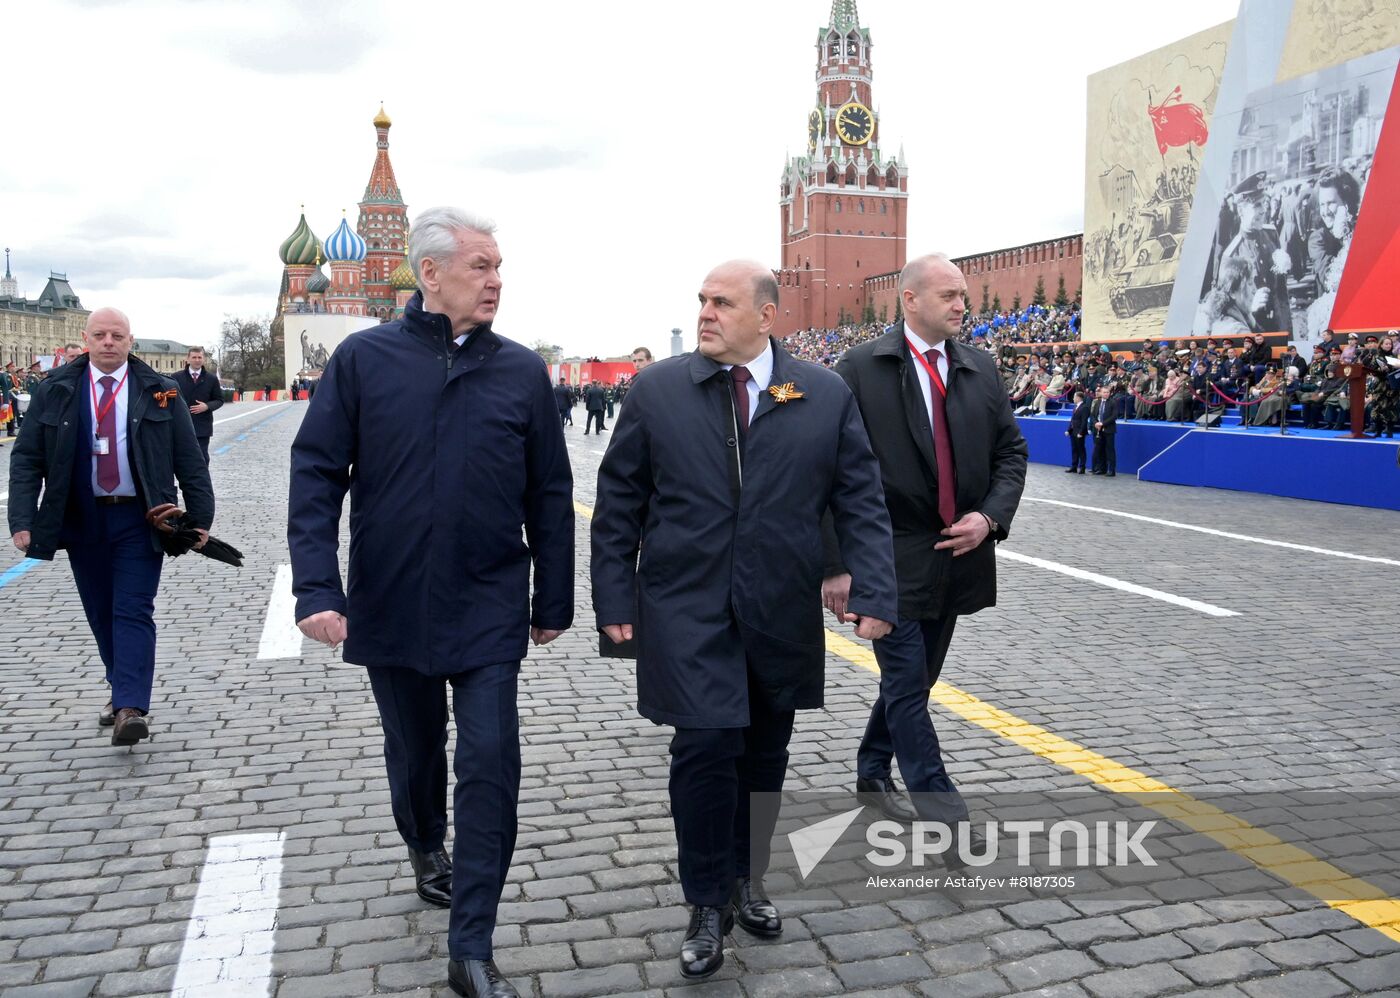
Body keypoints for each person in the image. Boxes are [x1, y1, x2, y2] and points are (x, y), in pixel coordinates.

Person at [288, 207, 574, 998]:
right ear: (432, 274)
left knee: (491, 763)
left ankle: (471, 946)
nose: (496, 279)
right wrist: (317, 586)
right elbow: (315, 474)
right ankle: (423, 841)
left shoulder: (521, 371)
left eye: (499, 265)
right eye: (481, 265)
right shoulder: (362, 360)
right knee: (417, 755)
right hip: (391, 599)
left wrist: (553, 598)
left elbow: (551, 493)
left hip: (488, 604)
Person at [591, 260, 897, 981]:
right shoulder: (657, 390)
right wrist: (613, 600)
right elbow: (618, 504)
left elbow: (859, 499)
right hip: (683, 607)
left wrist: (877, 592)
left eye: (721, 302)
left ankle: (745, 879)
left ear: (766, 316)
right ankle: (703, 903)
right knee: (703, 749)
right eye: (701, 301)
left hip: (778, 608)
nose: (705, 313)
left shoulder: (820, 394)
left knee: (763, 754)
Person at [820, 253, 1027, 835]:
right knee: (909, 683)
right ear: (909, 300)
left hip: (957, 554)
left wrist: (988, 517)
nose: (963, 305)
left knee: (915, 679)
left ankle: (870, 770)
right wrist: (835, 565)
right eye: (949, 296)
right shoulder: (860, 368)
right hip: (886, 556)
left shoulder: (980, 369)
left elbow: (1010, 454)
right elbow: (826, 469)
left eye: (965, 295)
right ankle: (946, 814)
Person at [7, 307, 213, 746]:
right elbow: (27, 458)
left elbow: (189, 458)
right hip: (81, 517)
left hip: (140, 519)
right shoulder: (56, 389)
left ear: (129, 341)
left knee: (133, 609)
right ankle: (120, 685)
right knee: (101, 611)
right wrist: (22, 519)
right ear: (85, 339)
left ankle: (130, 707)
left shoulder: (161, 390)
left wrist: (200, 519)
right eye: (99, 334)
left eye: (116, 335)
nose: (107, 342)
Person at [172, 346, 224, 463]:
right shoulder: (176, 378)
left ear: (203, 359)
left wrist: (207, 406)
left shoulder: (211, 379)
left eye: (199, 357)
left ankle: (202, 481)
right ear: (188, 359)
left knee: (201, 458)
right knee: (183, 459)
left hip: (202, 426)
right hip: (181, 426)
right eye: (194, 357)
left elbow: (219, 400)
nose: (197, 360)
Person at [1090, 384, 1117, 476]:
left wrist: (1103, 423)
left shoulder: (1113, 402)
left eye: (1108, 392)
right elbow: (1093, 415)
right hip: (1098, 430)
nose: (1106, 394)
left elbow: (1114, 416)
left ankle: (1111, 470)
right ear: (1100, 393)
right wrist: (1096, 423)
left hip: (1109, 430)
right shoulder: (1097, 402)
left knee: (1110, 450)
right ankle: (1102, 468)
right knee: (1100, 449)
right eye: (1104, 392)